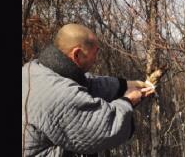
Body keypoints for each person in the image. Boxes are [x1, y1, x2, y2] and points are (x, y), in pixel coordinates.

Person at [22, 23, 154, 157]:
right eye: (95, 53)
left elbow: (87, 84)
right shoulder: (59, 94)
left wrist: (123, 85)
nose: (96, 59)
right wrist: (128, 101)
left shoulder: (36, 69)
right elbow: (106, 128)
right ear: (77, 54)